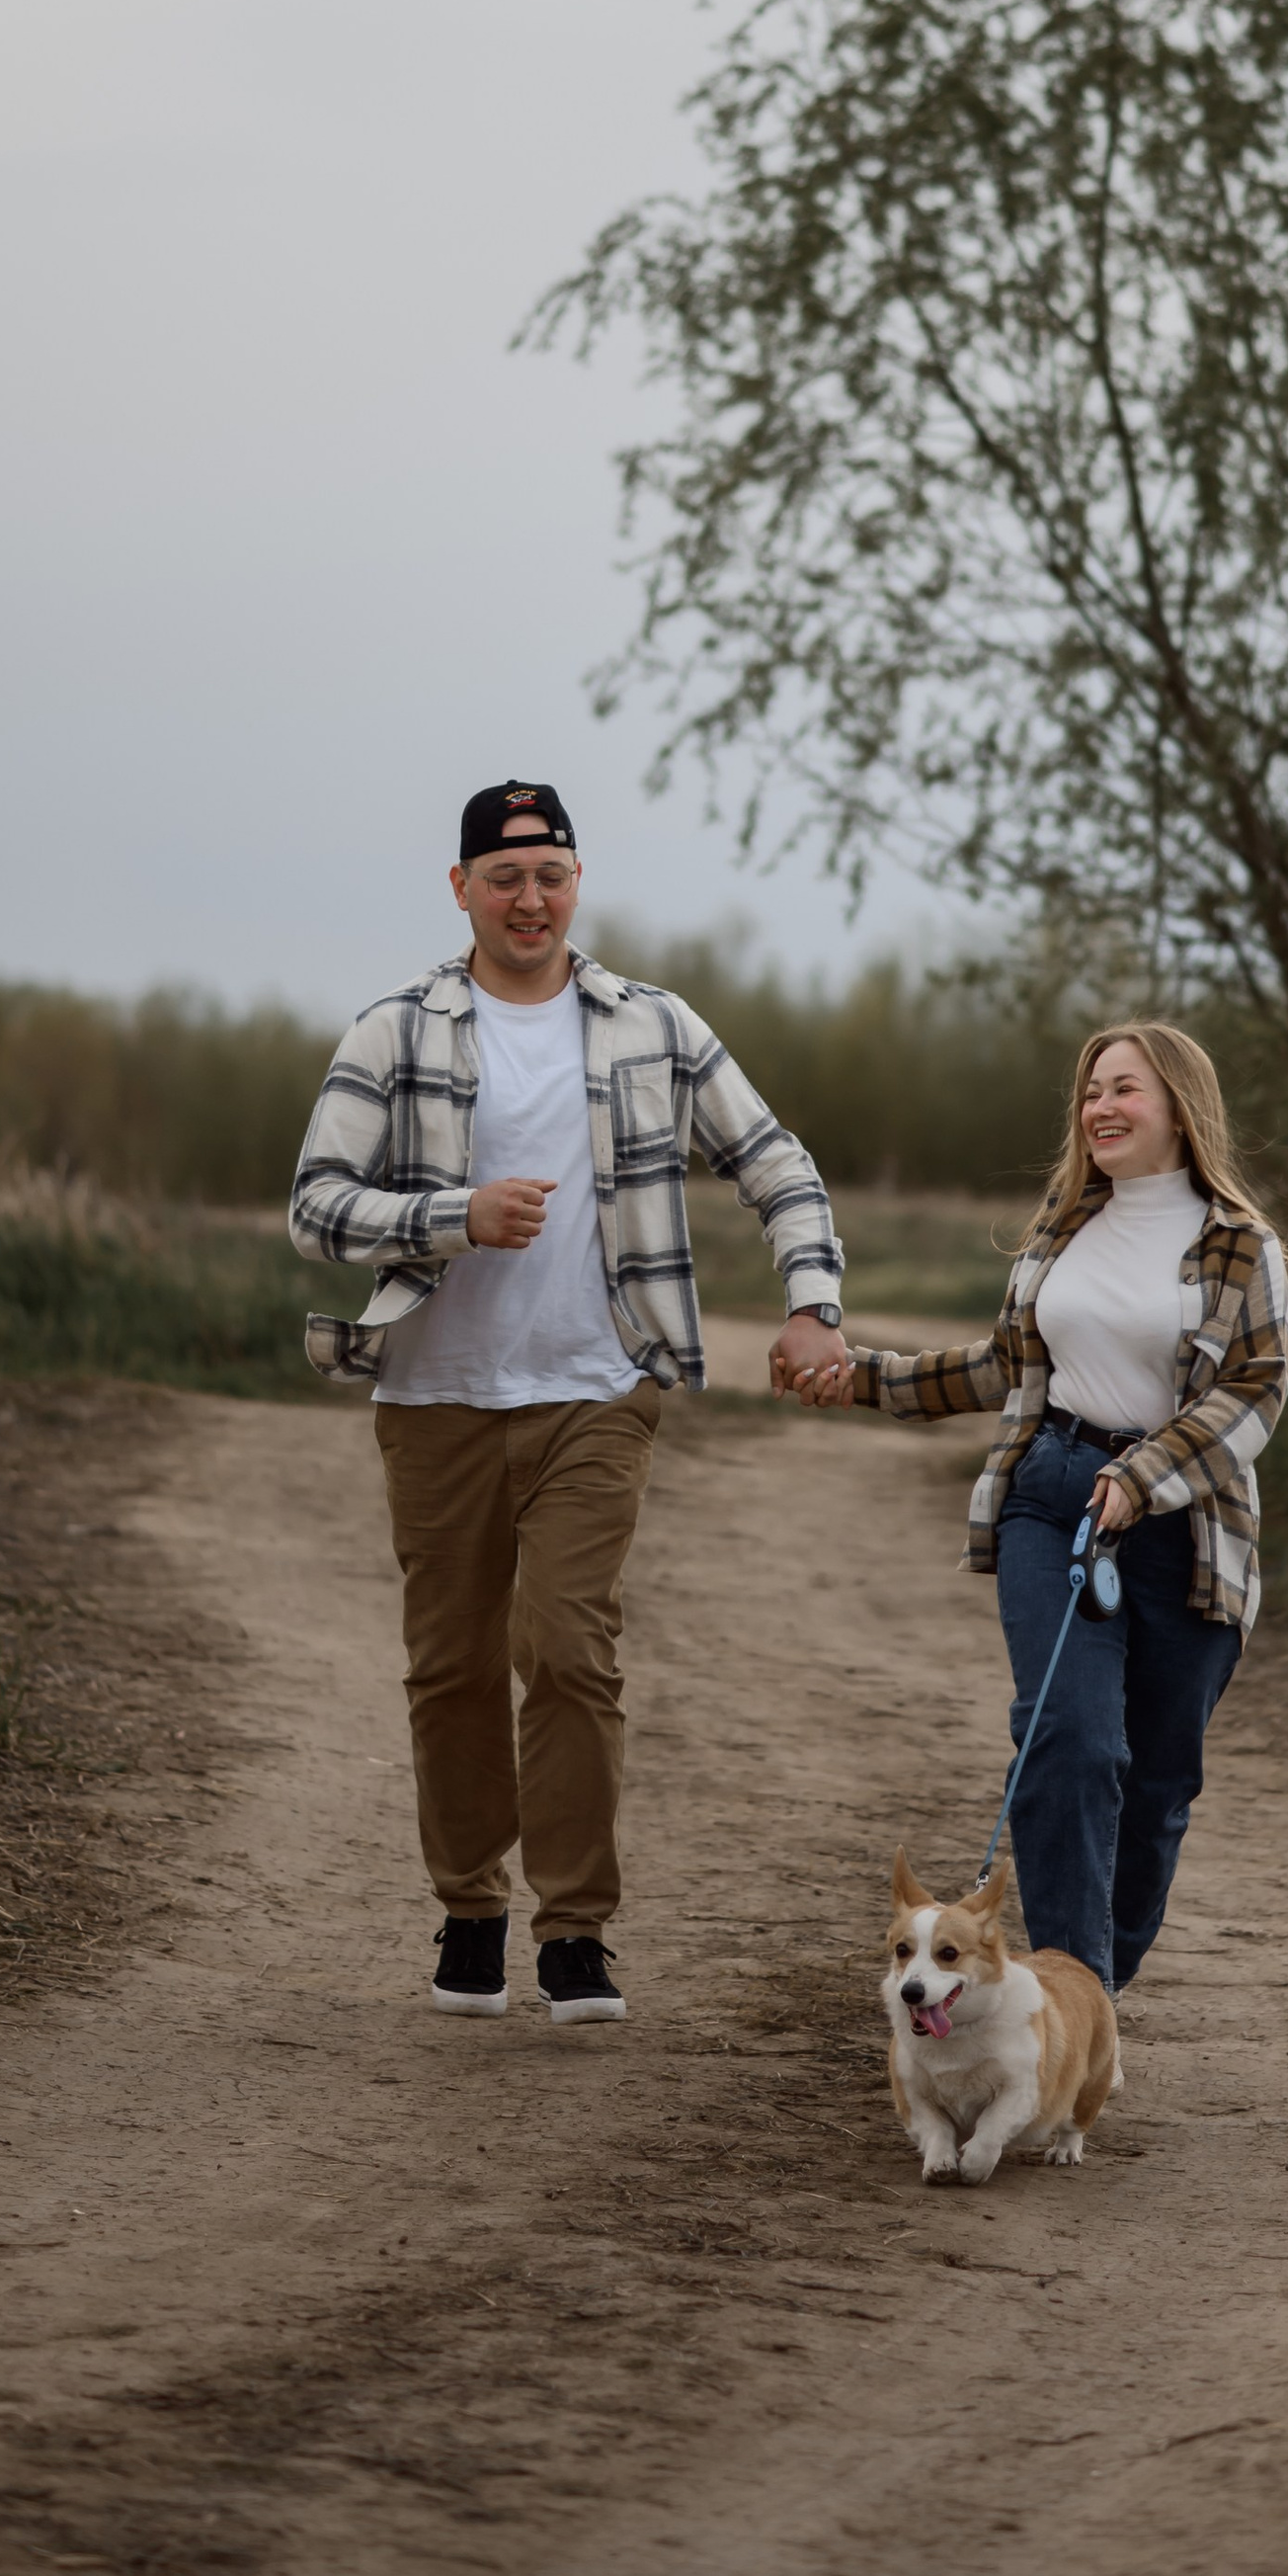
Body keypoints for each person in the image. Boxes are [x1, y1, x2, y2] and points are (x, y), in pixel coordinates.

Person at [291, 782, 851, 2025]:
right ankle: (471, 1910)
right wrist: (452, 1216)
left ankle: (576, 1930)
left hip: (599, 1388)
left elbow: (777, 1161)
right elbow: (315, 1204)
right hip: (434, 1395)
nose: (529, 898)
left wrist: (810, 1298)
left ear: (576, 881)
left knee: (566, 1651)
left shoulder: (653, 1025)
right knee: (447, 1669)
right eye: (504, 876)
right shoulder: (393, 1031)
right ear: (462, 891)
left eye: (550, 873)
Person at [779, 1023, 1288, 1996]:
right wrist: (862, 1380)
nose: (1098, 1105)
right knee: (1068, 1743)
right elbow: (1000, 1367)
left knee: (1154, 1790)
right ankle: (1065, 2007)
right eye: (1090, 1089)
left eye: (1124, 1089)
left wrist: (1145, 1473)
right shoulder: (1062, 1228)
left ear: (1180, 1108)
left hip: (1187, 1533)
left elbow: (1256, 1390)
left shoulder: (1240, 1246)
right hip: (1053, 1500)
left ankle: (1095, 1992)